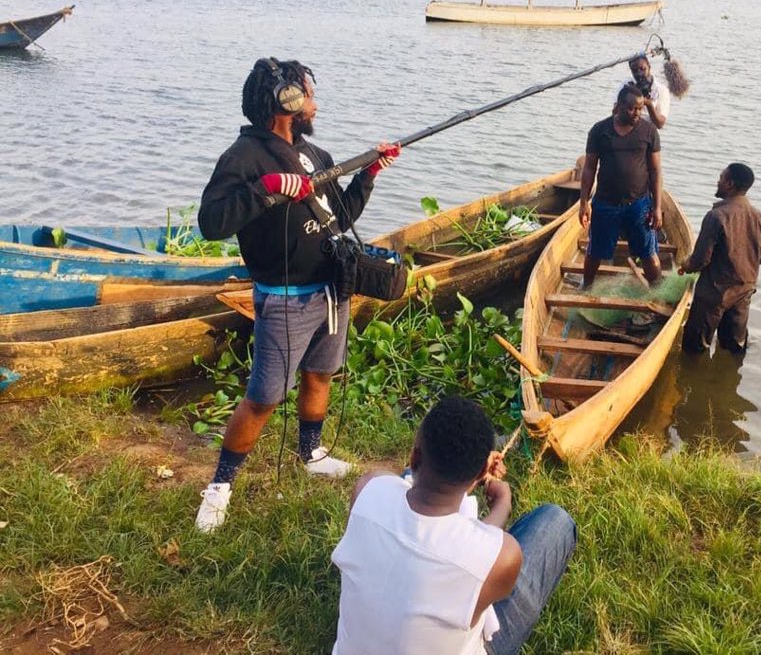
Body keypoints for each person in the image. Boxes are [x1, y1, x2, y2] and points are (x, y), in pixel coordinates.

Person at [192, 57, 399, 532]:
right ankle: (220, 486)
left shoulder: (316, 155)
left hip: (331, 290)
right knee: (264, 397)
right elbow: (210, 224)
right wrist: (265, 189)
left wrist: (368, 175)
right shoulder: (243, 159)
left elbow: (340, 217)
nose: (315, 104)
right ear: (286, 102)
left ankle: (312, 452)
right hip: (285, 298)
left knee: (320, 375)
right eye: (307, 95)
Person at [330, 397, 576, 655]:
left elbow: (410, 481)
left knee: (404, 480)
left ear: (414, 456)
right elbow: (487, 555)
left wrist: (468, 475)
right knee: (555, 521)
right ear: (482, 472)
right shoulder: (503, 556)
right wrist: (503, 504)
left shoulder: (368, 488)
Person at [679, 163, 761, 354]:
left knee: (694, 348)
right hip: (743, 292)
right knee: (734, 348)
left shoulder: (716, 216)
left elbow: (699, 261)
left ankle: (692, 380)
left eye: (721, 178)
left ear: (729, 184)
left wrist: (684, 266)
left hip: (713, 293)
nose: (717, 182)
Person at [579, 83, 663, 289]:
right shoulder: (600, 131)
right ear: (618, 106)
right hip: (605, 202)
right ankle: (586, 285)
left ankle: (658, 290)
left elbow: (655, 171)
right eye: (631, 108)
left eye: (640, 109)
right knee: (595, 251)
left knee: (648, 252)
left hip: (639, 203)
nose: (636, 113)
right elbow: (589, 167)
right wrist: (583, 202)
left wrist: (658, 207)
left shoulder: (649, 131)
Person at [618, 55, 670, 129]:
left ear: (649, 66)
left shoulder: (662, 90)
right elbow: (615, 114)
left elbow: (660, 124)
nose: (639, 73)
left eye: (642, 69)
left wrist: (648, 104)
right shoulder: (626, 85)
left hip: (648, 134)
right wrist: (628, 97)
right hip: (627, 131)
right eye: (635, 71)